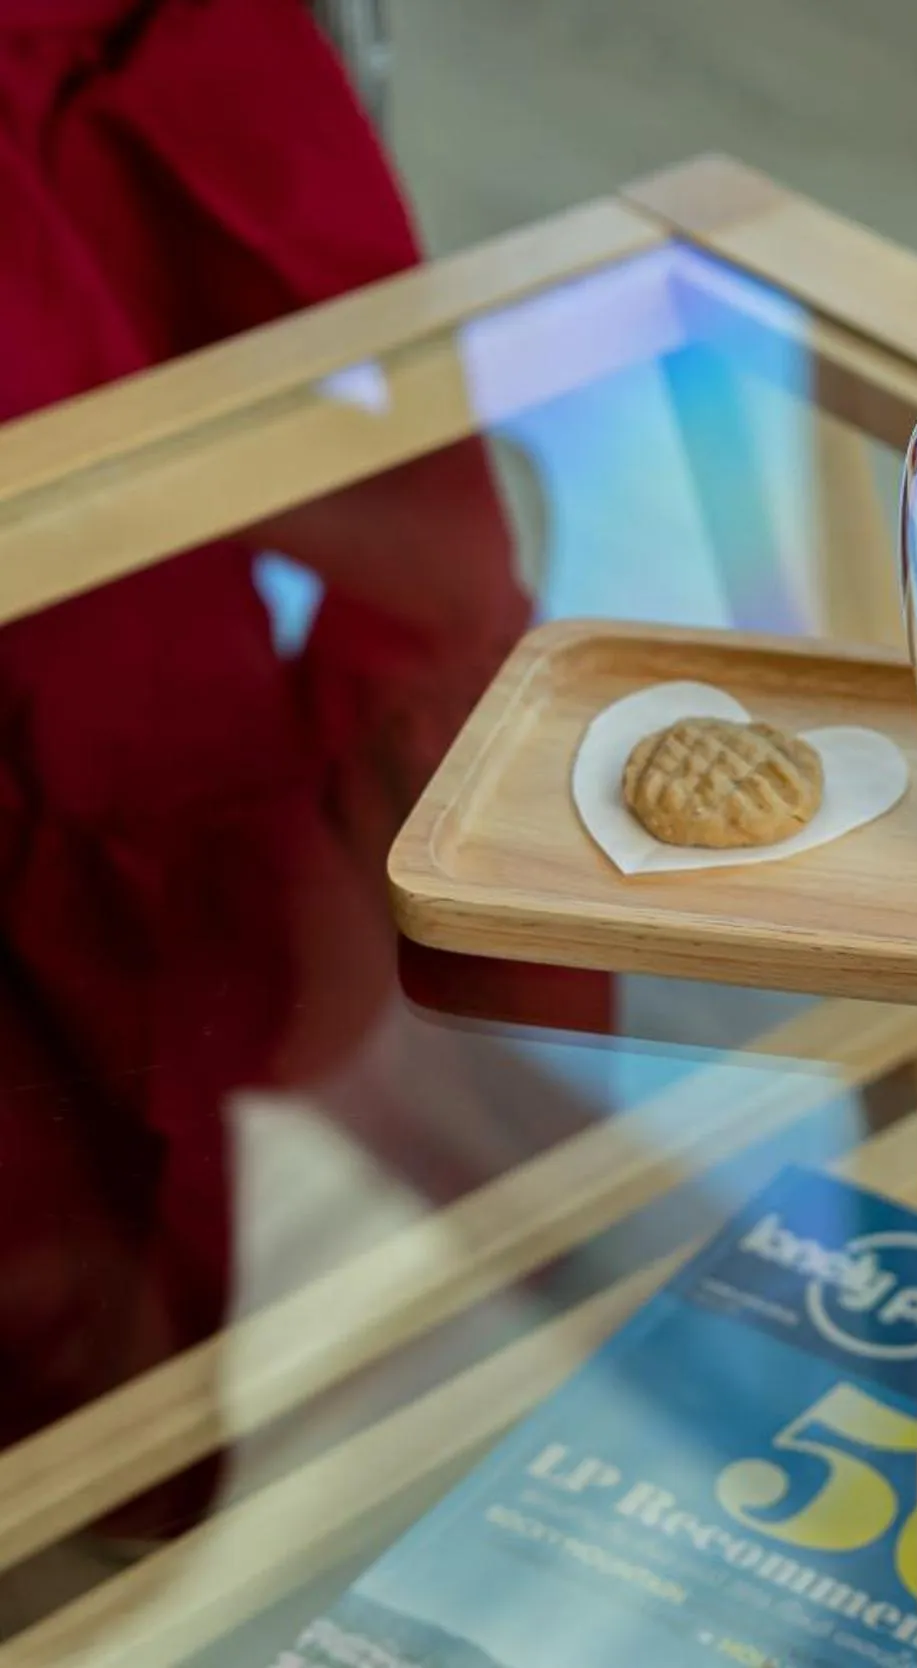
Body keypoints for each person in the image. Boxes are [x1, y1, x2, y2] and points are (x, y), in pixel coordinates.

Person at [0, 0, 601, 1535]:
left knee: (425, 595)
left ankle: (455, 1223)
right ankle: (167, 1400)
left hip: (163, 50)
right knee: (111, 697)